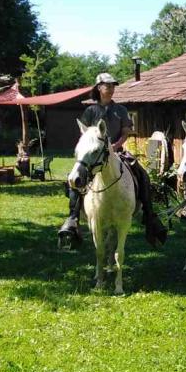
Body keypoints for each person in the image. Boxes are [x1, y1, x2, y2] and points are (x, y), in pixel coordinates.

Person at [58, 73, 168, 247]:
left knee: (142, 174)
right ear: (99, 88)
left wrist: (114, 146)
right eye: (107, 86)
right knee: (74, 179)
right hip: (95, 155)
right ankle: (73, 219)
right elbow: (85, 135)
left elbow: (126, 132)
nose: (111, 89)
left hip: (118, 151)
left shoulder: (121, 110)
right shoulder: (90, 111)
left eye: (112, 86)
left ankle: (149, 216)